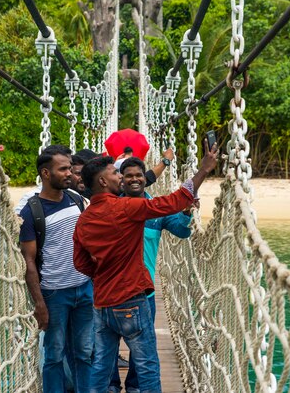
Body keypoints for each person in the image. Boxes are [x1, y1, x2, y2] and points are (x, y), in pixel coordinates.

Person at [73, 143, 218, 393]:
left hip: (102, 303)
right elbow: (173, 201)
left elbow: (81, 263)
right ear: (103, 181)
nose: (120, 176)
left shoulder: (84, 219)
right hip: (132, 300)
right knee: (147, 366)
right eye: (115, 173)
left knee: (100, 366)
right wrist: (203, 170)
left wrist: (105, 273)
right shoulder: (126, 208)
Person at [108, 157, 194, 393]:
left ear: (145, 179)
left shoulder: (157, 210)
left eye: (138, 175)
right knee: (107, 347)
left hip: (144, 292)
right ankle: (112, 386)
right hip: (111, 289)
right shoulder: (111, 207)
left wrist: (186, 213)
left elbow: (181, 231)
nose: (134, 179)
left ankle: (134, 387)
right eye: (128, 176)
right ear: (121, 180)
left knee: (142, 349)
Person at [18, 145, 93, 393]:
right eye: (63, 169)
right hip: (54, 294)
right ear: (46, 173)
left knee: (84, 353)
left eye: (70, 168)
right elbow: (28, 262)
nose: (70, 173)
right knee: (54, 355)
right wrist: (39, 304)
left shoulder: (76, 200)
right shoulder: (31, 212)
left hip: (84, 289)